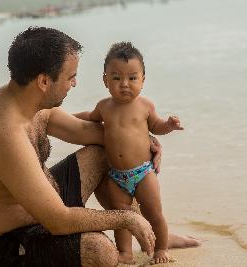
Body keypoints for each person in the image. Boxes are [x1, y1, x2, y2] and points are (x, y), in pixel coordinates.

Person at [0, 27, 198, 267]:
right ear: (44, 81)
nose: (75, 83)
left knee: (104, 153)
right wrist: (127, 219)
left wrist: (145, 144)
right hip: (3, 245)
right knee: (101, 252)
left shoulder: (27, 100)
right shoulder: (5, 133)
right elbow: (59, 220)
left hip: (40, 208)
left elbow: (88, 132)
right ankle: (138, 226)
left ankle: (153, 235)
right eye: (70, 77)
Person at [74, 42, 184, 265]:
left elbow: (157, 126)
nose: (124, 84)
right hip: (116, 176)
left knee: (154, 213)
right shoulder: (104, 106)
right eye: (116, 78)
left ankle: (161, 247)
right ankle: (125, 253)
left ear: (143, 80)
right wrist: (69, 117)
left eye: (132, 78)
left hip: (143, 173)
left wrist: (169, 125)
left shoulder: (145, 106)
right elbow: (90, 117)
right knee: (122, 217)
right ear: (105, 80)